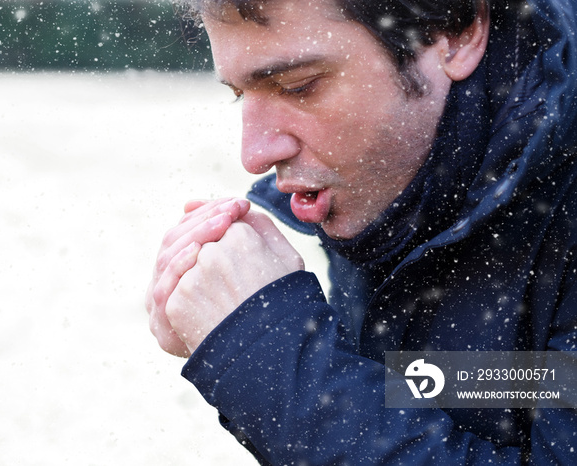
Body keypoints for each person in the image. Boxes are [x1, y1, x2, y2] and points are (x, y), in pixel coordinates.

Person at [146, 0, 577, 463]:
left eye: (299, 86)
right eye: (240, 93)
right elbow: (432, 389)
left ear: (455, 32)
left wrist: (266, 353)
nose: (253, 156)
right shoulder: (389, 181)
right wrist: (243, 341)